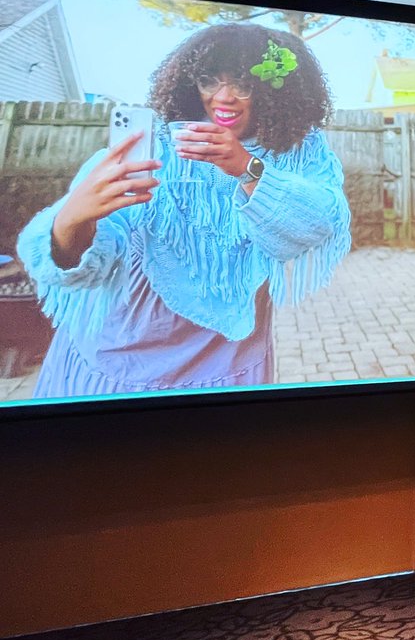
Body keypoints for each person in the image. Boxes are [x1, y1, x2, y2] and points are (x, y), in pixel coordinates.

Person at [17, 23, 351, 398]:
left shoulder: (301, 152)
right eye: (209, 80)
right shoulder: (153, 146)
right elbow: (91, 263)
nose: (223, 98)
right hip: (114, 360)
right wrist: (71, 220)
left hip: (225, 362)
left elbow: (316, 224)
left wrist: (246, 167)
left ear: (278, 89)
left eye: (243, 83)